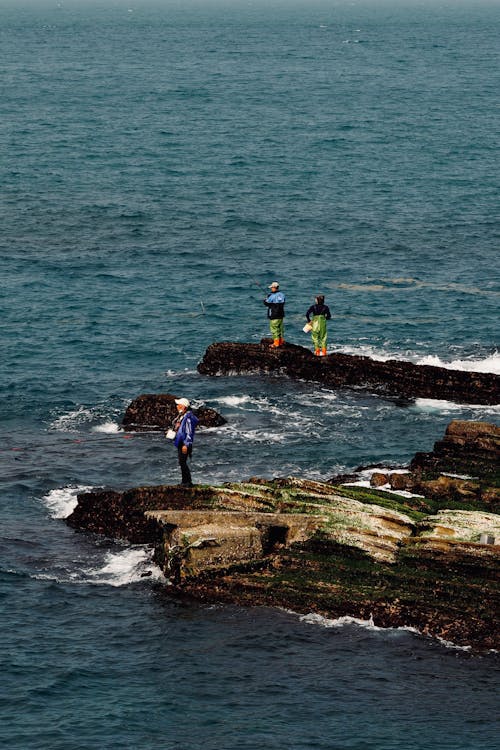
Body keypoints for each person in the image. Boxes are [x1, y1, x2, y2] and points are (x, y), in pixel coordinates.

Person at [168, 397, 199, 487]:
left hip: (184, 444)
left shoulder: (188, 418)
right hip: (181, 443)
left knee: (182, 462)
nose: (177, 406)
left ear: (184, 407)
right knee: (182, 462)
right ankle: (184, 481)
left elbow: (189, 433)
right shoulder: (182, 416)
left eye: (179, 405)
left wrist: (186, 444)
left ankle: (187, 482)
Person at [263, 281, 286, 348]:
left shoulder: (272, 296)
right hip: (281, 315)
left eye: (272, 288)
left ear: (274, 288)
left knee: (274, 329)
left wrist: (265, 299)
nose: (271, 289)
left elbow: (266, 303)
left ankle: (276, 343)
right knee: (280, 328)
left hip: (274, 315)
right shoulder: (282, 294)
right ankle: (281, 341)